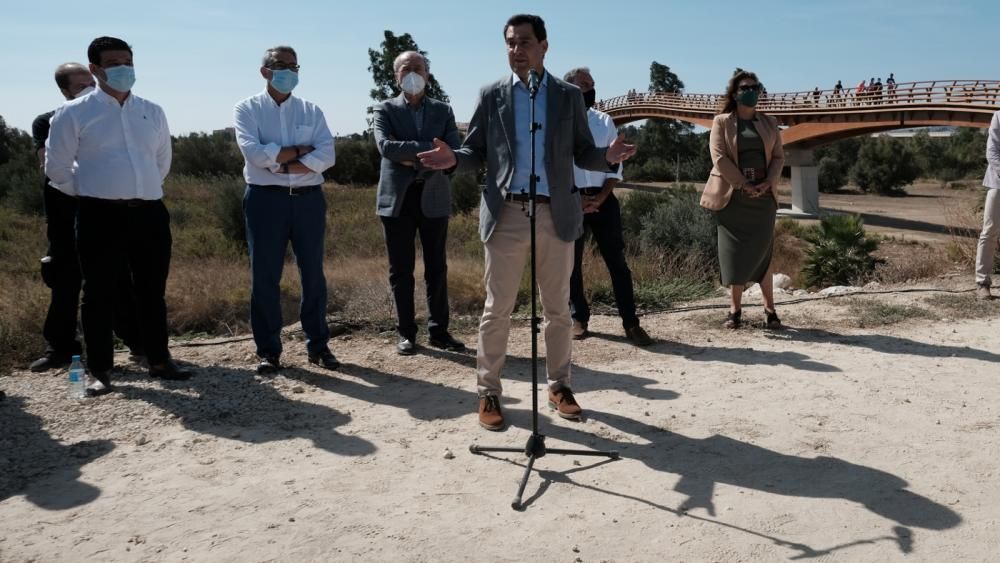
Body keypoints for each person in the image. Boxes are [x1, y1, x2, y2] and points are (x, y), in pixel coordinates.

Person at [417, 14, 636, 430]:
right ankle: (489, 392)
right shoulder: (491, 94)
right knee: (497, 308)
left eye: (524, 42)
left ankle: (559, 386)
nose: (516, 51)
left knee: (556, 308)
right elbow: (474, 151)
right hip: (508, 212)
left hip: (556, 211)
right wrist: (453, 162)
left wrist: (607, 158)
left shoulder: (568, 95)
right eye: (510, 43)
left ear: (544, 46)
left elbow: (583, 153)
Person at [45, 36, 191, 396]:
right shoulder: (73, 113)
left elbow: (161, 162)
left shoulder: (152, 110)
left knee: (151, 291)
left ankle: (159, 359)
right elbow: (58, 168)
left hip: (150, 214)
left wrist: (138, 189)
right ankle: (100, 370)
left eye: (127, 61)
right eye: (113, 63)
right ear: (95, 69)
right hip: (99, 215)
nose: (123, 69)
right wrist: (94, 190)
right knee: (98, 294)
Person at [29, 63, 144, 372]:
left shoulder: (115, 118)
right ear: (65, 91)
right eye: (80, 85)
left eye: (91, 81)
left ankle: (137, 342)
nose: (89, 88)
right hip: (66, 213)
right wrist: (91, 187)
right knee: (65, 281)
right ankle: (62, 348)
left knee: (120, 279)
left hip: (107, 213)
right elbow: (51, 164)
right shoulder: (48, 121)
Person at [234, 45, 339, 375]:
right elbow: (254, 154)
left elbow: (327, 155)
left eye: (295, 66)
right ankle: (268, 350)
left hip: (308, 200)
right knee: (264, 276)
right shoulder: (247, 109)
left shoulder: (311, 110)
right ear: (265, 71)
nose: (290, 72)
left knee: (313, 275)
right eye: (282, 66)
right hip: (266, 201)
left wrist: (283, 162)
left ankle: (318, 346)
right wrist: (299, 154)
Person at [372, 51, 465, 355]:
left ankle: (439, 331)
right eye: (406, 69)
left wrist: (412, 157)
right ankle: (406, 333)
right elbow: (386, 147)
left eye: (418, 68)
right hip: (397, 201)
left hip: (433, 197)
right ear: (395, 75)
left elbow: (454, 149)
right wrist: (431, 152)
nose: (413, 73)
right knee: (401, 270)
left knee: (437, 268)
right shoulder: (384, 108)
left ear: (428, 73)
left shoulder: (443, 110)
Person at [562, 66, 651, 347]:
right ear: (570, 89)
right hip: (571, 199)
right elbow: (556, 165)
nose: (590, 89)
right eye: (584, 84)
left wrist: (601, 197)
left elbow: (615, 165)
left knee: (618, 263)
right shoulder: (558, 123)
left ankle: (631, 322)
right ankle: (579, 318)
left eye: (591, 84)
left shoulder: (604, 121)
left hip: (604, 199)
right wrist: (575, 197)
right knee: (571, 265)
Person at [699, 70, 785, 330]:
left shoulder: (769, 123)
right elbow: (720, 158)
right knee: (734, 254)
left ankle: (770, 310)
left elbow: (779, 157)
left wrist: (768, 182)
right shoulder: (722, 122)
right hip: (733, 198)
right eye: (746, 87)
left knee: (763, 256)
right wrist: (743, 184)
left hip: (763, 198)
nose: (752, 91)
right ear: (735, 93)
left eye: (755, 86)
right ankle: (734, 310)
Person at [974, 110, 1000, 299]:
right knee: (989, 231)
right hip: (998, 183)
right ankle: (982, 283)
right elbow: (992, 151)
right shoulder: (998, 116)